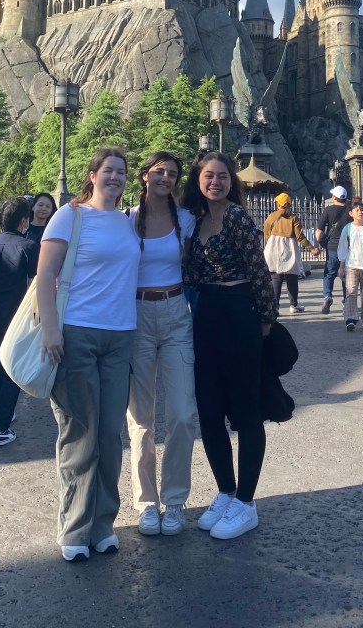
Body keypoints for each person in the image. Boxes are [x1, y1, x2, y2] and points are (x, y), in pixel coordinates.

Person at [36, 148, 141, 563]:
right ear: (92, 175)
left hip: (120, 334)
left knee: (110, 434)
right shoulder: (70, 215)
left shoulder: (128, 221)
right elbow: (45, 273)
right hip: (77, 331)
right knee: (80, 431)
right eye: (108, 170)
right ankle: (74, 527)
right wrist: (50, 328)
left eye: (121, 172)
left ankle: (102, 524)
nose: (115, 177)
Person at [182, 151, 277, 541]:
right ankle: (226, 490)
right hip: (206, 313)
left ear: (231, 182)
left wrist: (266, 319)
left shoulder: (236, 216)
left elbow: (258, 268)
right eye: (209, 175)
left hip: (239, 311)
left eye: (222, 176)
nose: (215, 182)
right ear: (198, 180)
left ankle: (246, 502)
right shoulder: (195, 219)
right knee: (209, 410)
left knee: (245, 410)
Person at [127, 151, 197, 538]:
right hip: (136, 315)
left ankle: (175, 499)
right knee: (140, 416)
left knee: (183, 413)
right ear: (144, 176)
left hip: (175, 313)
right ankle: (146, 501)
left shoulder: (185, 220)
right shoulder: (128, 220)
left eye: (172, 173)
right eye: (159, 171)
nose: (165, 177)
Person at [0, 197, 40, 446]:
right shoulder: (28, 245)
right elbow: (34, 281)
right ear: (24, 221)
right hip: (14, 312)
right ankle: (1, 427)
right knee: (13, 368)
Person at [262, 193, 314, 314]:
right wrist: (311, 247)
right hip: (289, 249)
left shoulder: (271, 216)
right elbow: (300, 237)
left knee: (276, 278)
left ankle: (275, 307)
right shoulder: (293, 218)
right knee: (292, 277)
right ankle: (293, 305)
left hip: (273, 248)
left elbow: (266, 233)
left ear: (278, 204)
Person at [336, 201, 363, 330]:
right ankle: (350, 318)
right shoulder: (347, 228)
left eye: (362, 210)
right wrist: (341, 266)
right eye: (357, 210)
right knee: (351, 291)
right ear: (351, 213)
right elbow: (343, 247)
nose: (360, 212)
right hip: (351, 264)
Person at [316, 186, 350, 314]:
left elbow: (319, 231)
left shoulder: (328, 210)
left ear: (334, 197)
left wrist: (319, 245)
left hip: (332, 247)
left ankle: (327, 296)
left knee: (329, 274)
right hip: (348, 247)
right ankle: (346, 300)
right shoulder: (351, 211)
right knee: (346, 275)